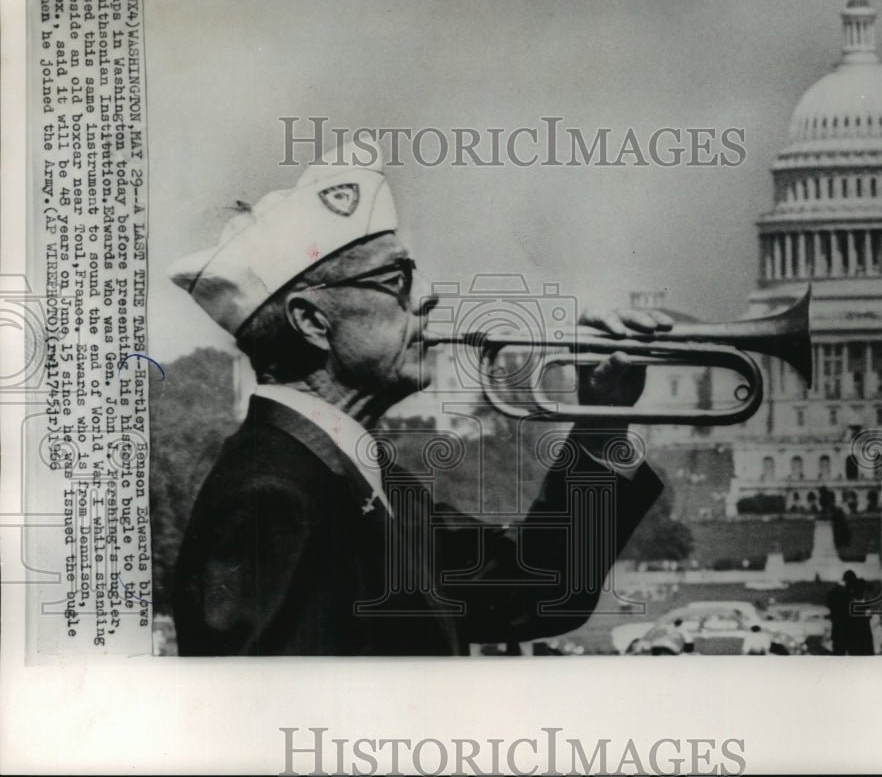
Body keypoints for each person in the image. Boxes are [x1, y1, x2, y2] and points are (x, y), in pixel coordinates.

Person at [167, 145, 669, 655]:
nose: (429, 295)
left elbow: (539, 587)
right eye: (398, 279)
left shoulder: (357, 478)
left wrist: (600, 425)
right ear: (312, 322)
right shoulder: (271, 496)